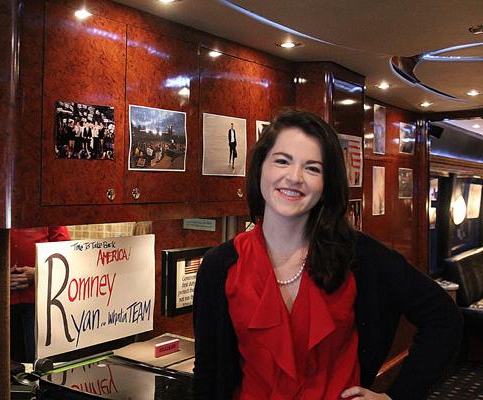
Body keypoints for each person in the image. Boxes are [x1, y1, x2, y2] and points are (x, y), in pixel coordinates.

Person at [193, 109, 462, 400]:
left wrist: (397, 396)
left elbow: (444, 318)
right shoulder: (220, 265)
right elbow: (208, 372)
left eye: (313, 168)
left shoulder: (361, 255)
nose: (294, 177)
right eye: (282, 161)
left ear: (327, 184)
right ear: (261, 168)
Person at [10, 226, 71, 363]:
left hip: (38, 302)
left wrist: (39, 272)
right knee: (3, 363)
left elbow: (66, 252)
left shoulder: (46, 211)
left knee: (38, 361)